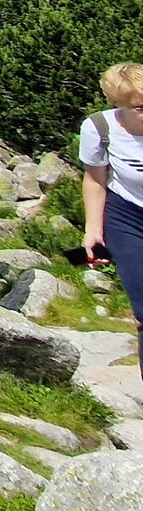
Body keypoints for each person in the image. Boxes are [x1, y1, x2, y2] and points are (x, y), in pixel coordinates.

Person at [80, 62, 143, 380]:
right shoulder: (99, 128)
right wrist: (93, 231)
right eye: (140, 107)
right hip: (127, 217)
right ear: (118, 103)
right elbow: (95, 180)